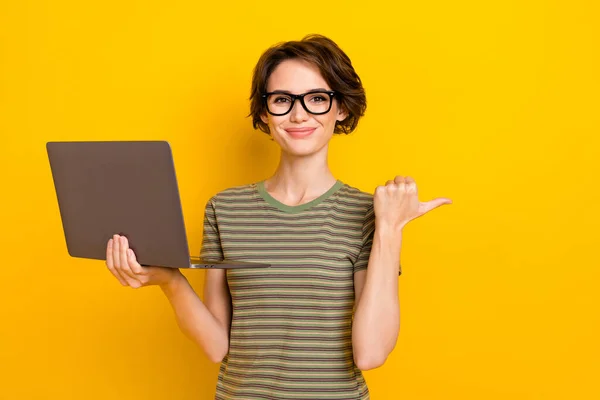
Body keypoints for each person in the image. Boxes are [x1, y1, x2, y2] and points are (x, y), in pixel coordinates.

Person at [105, 34, 452, 399]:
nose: (299, 114)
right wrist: (169, 280)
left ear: (342, 109)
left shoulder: (369, 213)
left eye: (317, 99)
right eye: (283, 100)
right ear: (265, 112)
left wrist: (390, 228)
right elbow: (215, 346)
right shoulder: (225, 209)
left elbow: (371, 353)